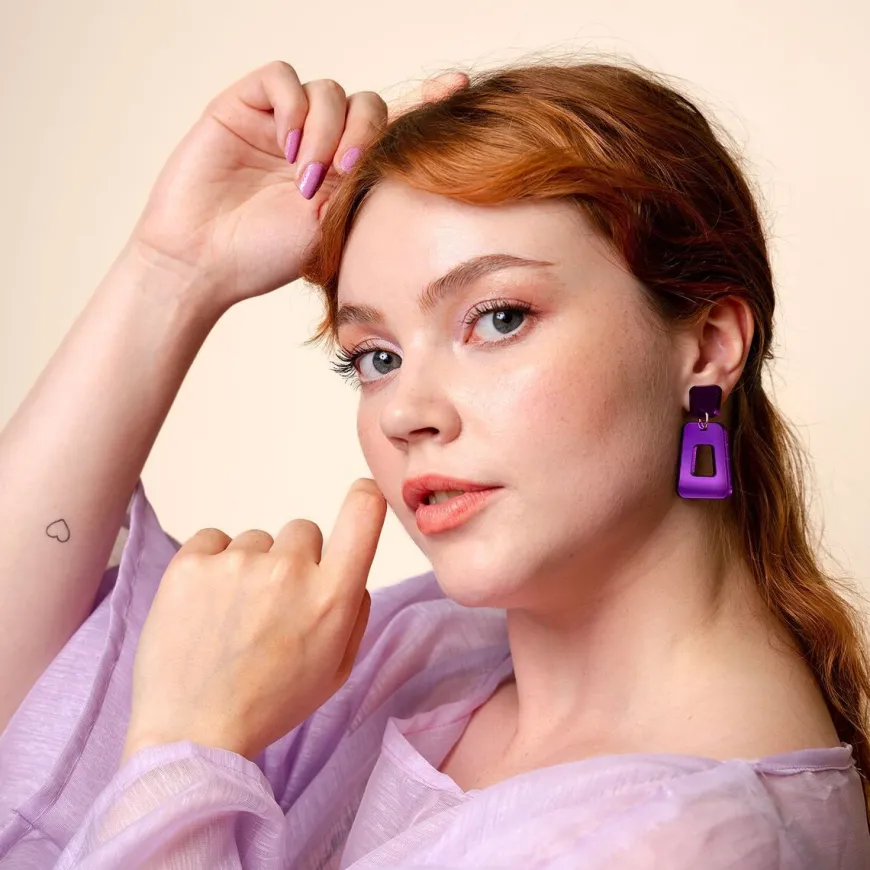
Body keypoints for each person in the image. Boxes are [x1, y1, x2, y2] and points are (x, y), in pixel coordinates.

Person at [0, 54, 868, 869]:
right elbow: (30, 714)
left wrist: (185, 740)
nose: (405, 411)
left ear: (708, 345)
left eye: (498, 318)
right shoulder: (423, 658)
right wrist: (173, 270)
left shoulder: (695, 842)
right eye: (374, 356)